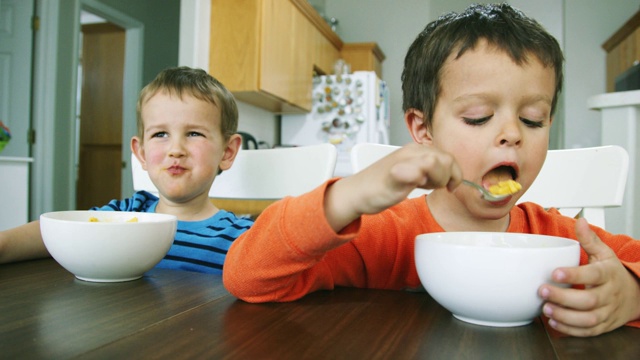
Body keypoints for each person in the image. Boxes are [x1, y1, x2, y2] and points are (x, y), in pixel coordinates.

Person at [223, 3, 640, 337]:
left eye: (533, 119)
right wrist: (347, 196)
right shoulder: (386, 236)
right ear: (422, 129)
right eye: (478, 117)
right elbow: (247, 275)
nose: (513, 133)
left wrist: (631, 293)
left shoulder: (560, 240)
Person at [0, 66, 253, 274]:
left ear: (227, 152)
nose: (176, 149)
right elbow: (56, 233)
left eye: (194, 133)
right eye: (160, 134)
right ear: (141, 153)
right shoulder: (125, 213)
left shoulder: (243, 240)